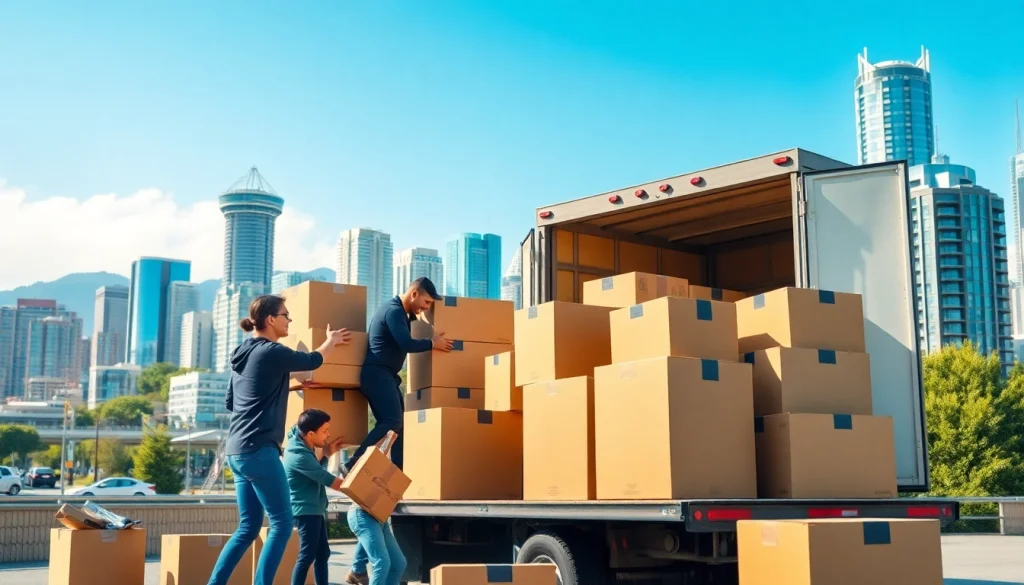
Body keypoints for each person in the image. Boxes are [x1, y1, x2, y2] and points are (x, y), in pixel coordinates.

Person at [206, 295, 351, 585]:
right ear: (270, 319)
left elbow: (234, 402)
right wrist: (331, 340)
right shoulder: (272, 350)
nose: (289, 321)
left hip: (236, 452)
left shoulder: (242, 354)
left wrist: (285, 382)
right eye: (286, 315)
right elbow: (313, 360)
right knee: (283, 524)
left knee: (247, 527)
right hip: (260, 451)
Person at [343, 277, 451, 585]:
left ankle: (397, 475)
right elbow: (405, 344)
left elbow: (415, 326)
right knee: (392, 422)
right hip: (376, 375)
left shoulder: (406, 314)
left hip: (387, 378)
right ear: (414, 293)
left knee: (400, 431)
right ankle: (355, 462)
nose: (426, 308)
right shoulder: (392, 311)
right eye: (426, 302)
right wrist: (432, 342)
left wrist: (429, 324)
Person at [284, 409, 346, 585]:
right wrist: (361, 487)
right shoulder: (297, 454)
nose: (328, 434)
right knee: (307, 556)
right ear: (311, 434)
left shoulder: (302, 444)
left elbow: (315, 470)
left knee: (322, 554)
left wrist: (328, 453)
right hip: (304, 510)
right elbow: (325, 478)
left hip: (313, 509)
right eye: (325, 431)